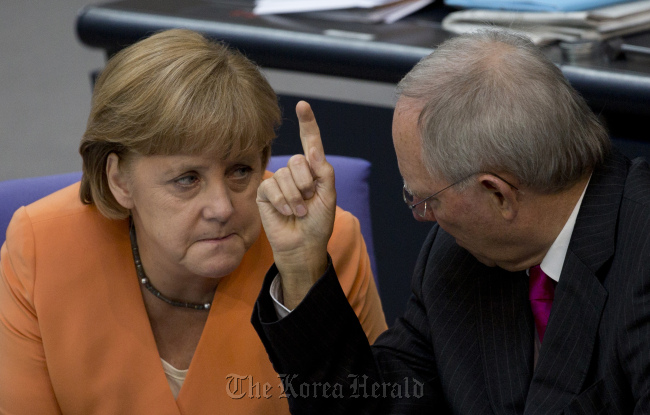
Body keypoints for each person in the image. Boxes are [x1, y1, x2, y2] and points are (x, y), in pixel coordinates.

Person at [252, 30, 650, 414]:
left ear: (497, 194)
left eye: (425, 199)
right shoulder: (458, 257)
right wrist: (302, 266)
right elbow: (377, 406)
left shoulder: (641, 257)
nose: (423, 217)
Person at [0, 29, 386, 414]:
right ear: (119, 180)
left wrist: (303, 282)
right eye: (187, 179)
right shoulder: (40, 247)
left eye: (240, 171)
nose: (222, 207)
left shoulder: (324, 245)